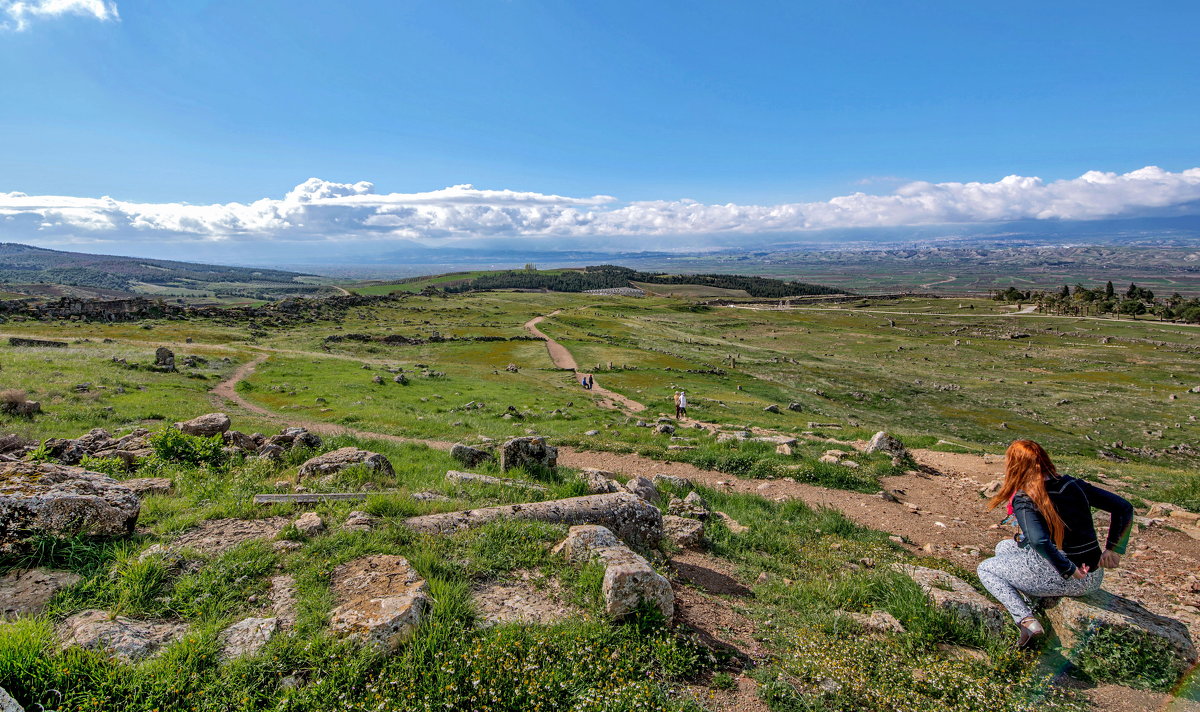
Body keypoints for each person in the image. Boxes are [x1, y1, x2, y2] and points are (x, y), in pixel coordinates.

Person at [977, 440, 1133, 647]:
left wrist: (1067, 569)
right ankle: (1034, 600)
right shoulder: (1072, 484)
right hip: (1093, 575)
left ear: (1014, 466)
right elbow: (1123, 507)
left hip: (1066, 576)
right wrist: (1114, 548)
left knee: (986, 568)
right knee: (1004, 548)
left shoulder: (1025, 498)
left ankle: (1025, 620)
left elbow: (1039, 540)